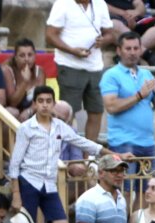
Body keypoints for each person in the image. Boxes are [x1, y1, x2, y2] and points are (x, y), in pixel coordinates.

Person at [8, 86, 127, 223]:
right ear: (35, 103)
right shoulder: (26, 128)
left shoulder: (60, 127)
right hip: (29, 181)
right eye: (41, 101)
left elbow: (83, 142)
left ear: (53, 103)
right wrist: (16, 192)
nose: (45, 105)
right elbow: (15, 162)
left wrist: (115, 155)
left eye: (48, 101)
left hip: (49, 184)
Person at [101, 32, 155, 176]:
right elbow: (111, 107)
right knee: (125, 191)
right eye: (128, 48)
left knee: (147, 194)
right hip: (123, 143)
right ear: (118, 51)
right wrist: (139, 96)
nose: (132, 52)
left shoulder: (146, 74)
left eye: (136, 48)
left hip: (148, 143)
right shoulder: (111, 75)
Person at [46, 0, 114, 141]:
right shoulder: (62, 3)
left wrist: (104, 40)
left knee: (96, 111)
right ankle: (68, 155)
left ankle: (89, 157)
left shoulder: (100, 3)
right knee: (67, 113)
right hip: (69, 65)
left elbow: (110, 33)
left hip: (95, 66)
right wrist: (72, 50)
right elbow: (50, 35)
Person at [106, 0, 155, 65]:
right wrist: (124, 14)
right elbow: (101, 5)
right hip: (115, 19)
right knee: (111, 24)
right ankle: (146, 54)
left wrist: (136, 12)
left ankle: (129, 53)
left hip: (137, 21)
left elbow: (140, 6)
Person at [1, 39, 47, 120]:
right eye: (22, 55)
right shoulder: (7, 71)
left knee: (59, 109)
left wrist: (30, 110)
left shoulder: (39, 71)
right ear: (15, 57)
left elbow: (42, 98)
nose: (26, 59)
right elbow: (12, 103)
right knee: (14, 112)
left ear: (35, 55)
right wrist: (25, 82)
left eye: (30, 55)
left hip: (32, 111)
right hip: (13, 114)